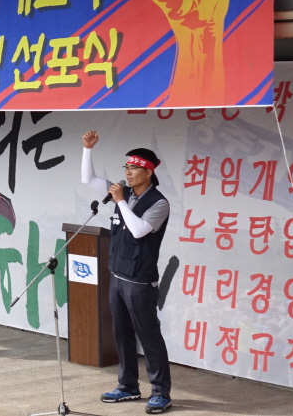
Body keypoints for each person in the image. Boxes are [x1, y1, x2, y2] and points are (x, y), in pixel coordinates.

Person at [81, 131, 172, 414]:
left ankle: (161, 392)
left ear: (149, 172)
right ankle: (128, 385)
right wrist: (87, 149)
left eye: (134, 168)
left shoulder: (159, 203)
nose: (128, 173)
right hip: (117, 275)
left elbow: (139, 230)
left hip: (140, 281)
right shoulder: (124, 191)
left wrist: (120, 201)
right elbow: (89, 180)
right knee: (121, 333)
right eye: (127, 168)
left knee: (148, 336)